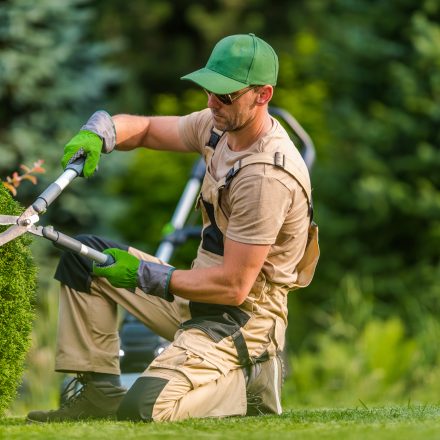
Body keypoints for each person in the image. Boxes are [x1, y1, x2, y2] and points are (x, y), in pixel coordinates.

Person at [27, 33, 319, 423]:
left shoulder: (267, 176)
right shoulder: (220, 127)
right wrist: (102, 130)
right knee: (84, 258)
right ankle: (97, 396)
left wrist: (146, 275)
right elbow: (146, 129)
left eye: (226, 95)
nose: (212, 102)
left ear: (263, 95)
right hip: (197, 298)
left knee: (145, 408)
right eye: (209, 90)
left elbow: (233, 288)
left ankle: (248, 381)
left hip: (242, 323)